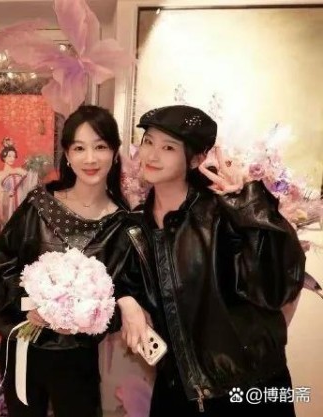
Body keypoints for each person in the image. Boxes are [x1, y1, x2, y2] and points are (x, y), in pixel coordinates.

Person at [118, 105, 306, 416]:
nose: (152, 154)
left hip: (245, 387)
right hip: (178, 388)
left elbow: (277, 285)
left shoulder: (222, 214)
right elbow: (121, 281)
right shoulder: (137, 225)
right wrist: (127, 303)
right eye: (148, 141)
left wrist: (248, 205)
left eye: (168, 148)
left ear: (195, 159)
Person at [0, 105, 144, 417]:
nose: (90, 159)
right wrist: (27, 305)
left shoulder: (123, 225)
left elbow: (124, 290)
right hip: (26, 348)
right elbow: (2, 263)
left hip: (78, 356)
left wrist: (94, 314)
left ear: (114, 153)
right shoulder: (40, 205)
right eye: (79, 148)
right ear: (68, 155)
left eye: (100, 147)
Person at [0, 138, 38, 228]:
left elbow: (31, 180)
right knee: (10, 228)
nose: (12, 159)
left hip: (21, 203)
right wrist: (7, 194)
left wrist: (32, 167)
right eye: (9, 156)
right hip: (8, 206)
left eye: (14, 156)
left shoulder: (19, 170)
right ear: (4, 157)